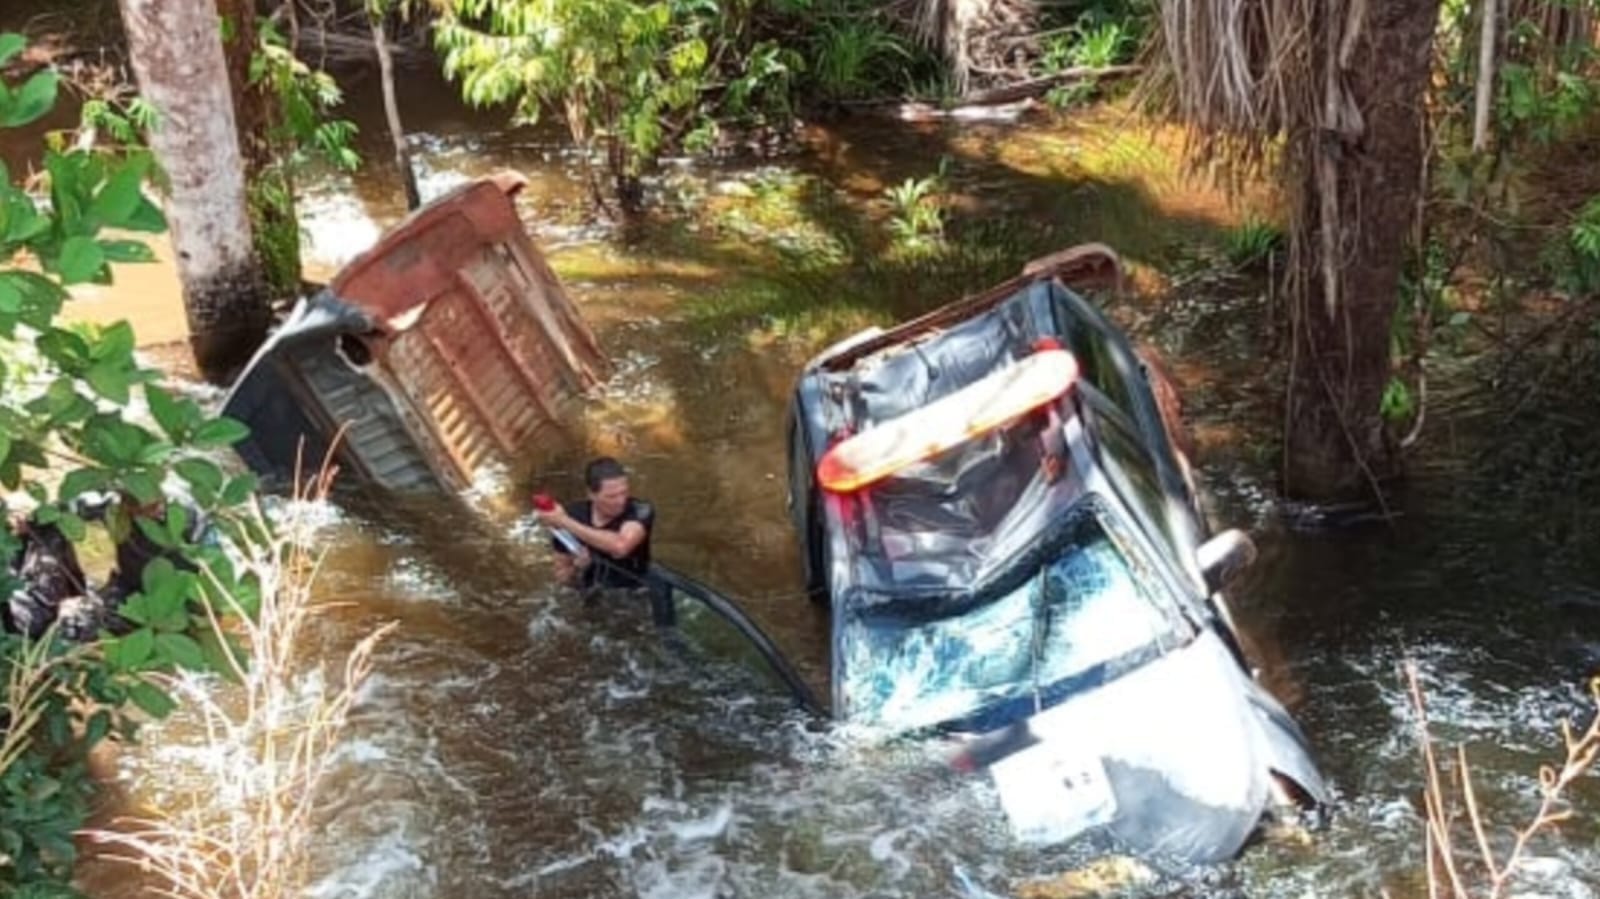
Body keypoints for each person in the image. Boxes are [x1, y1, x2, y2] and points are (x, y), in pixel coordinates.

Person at [535, 457, 655, 591]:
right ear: (591, 494)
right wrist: (577, 567)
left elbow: (621, 546)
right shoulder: (573, 515)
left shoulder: (640, 510)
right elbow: (561, 576)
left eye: (624, 493)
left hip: (635, 588)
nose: (621, 501)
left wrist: (564, 522)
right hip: (593, 590)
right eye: (611, 496)